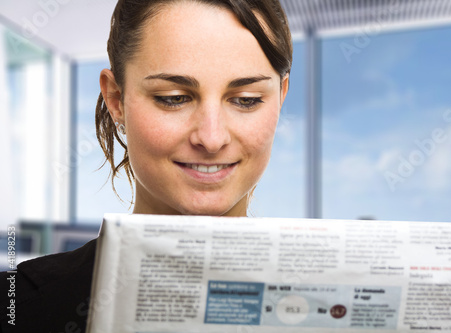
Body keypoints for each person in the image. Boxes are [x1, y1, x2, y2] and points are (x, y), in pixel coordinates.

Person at [0, 0, 292, 332]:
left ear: (280, 97)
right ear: (115, 100)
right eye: (173, 97)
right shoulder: (14, 307)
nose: (211, 139)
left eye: (247, 100)